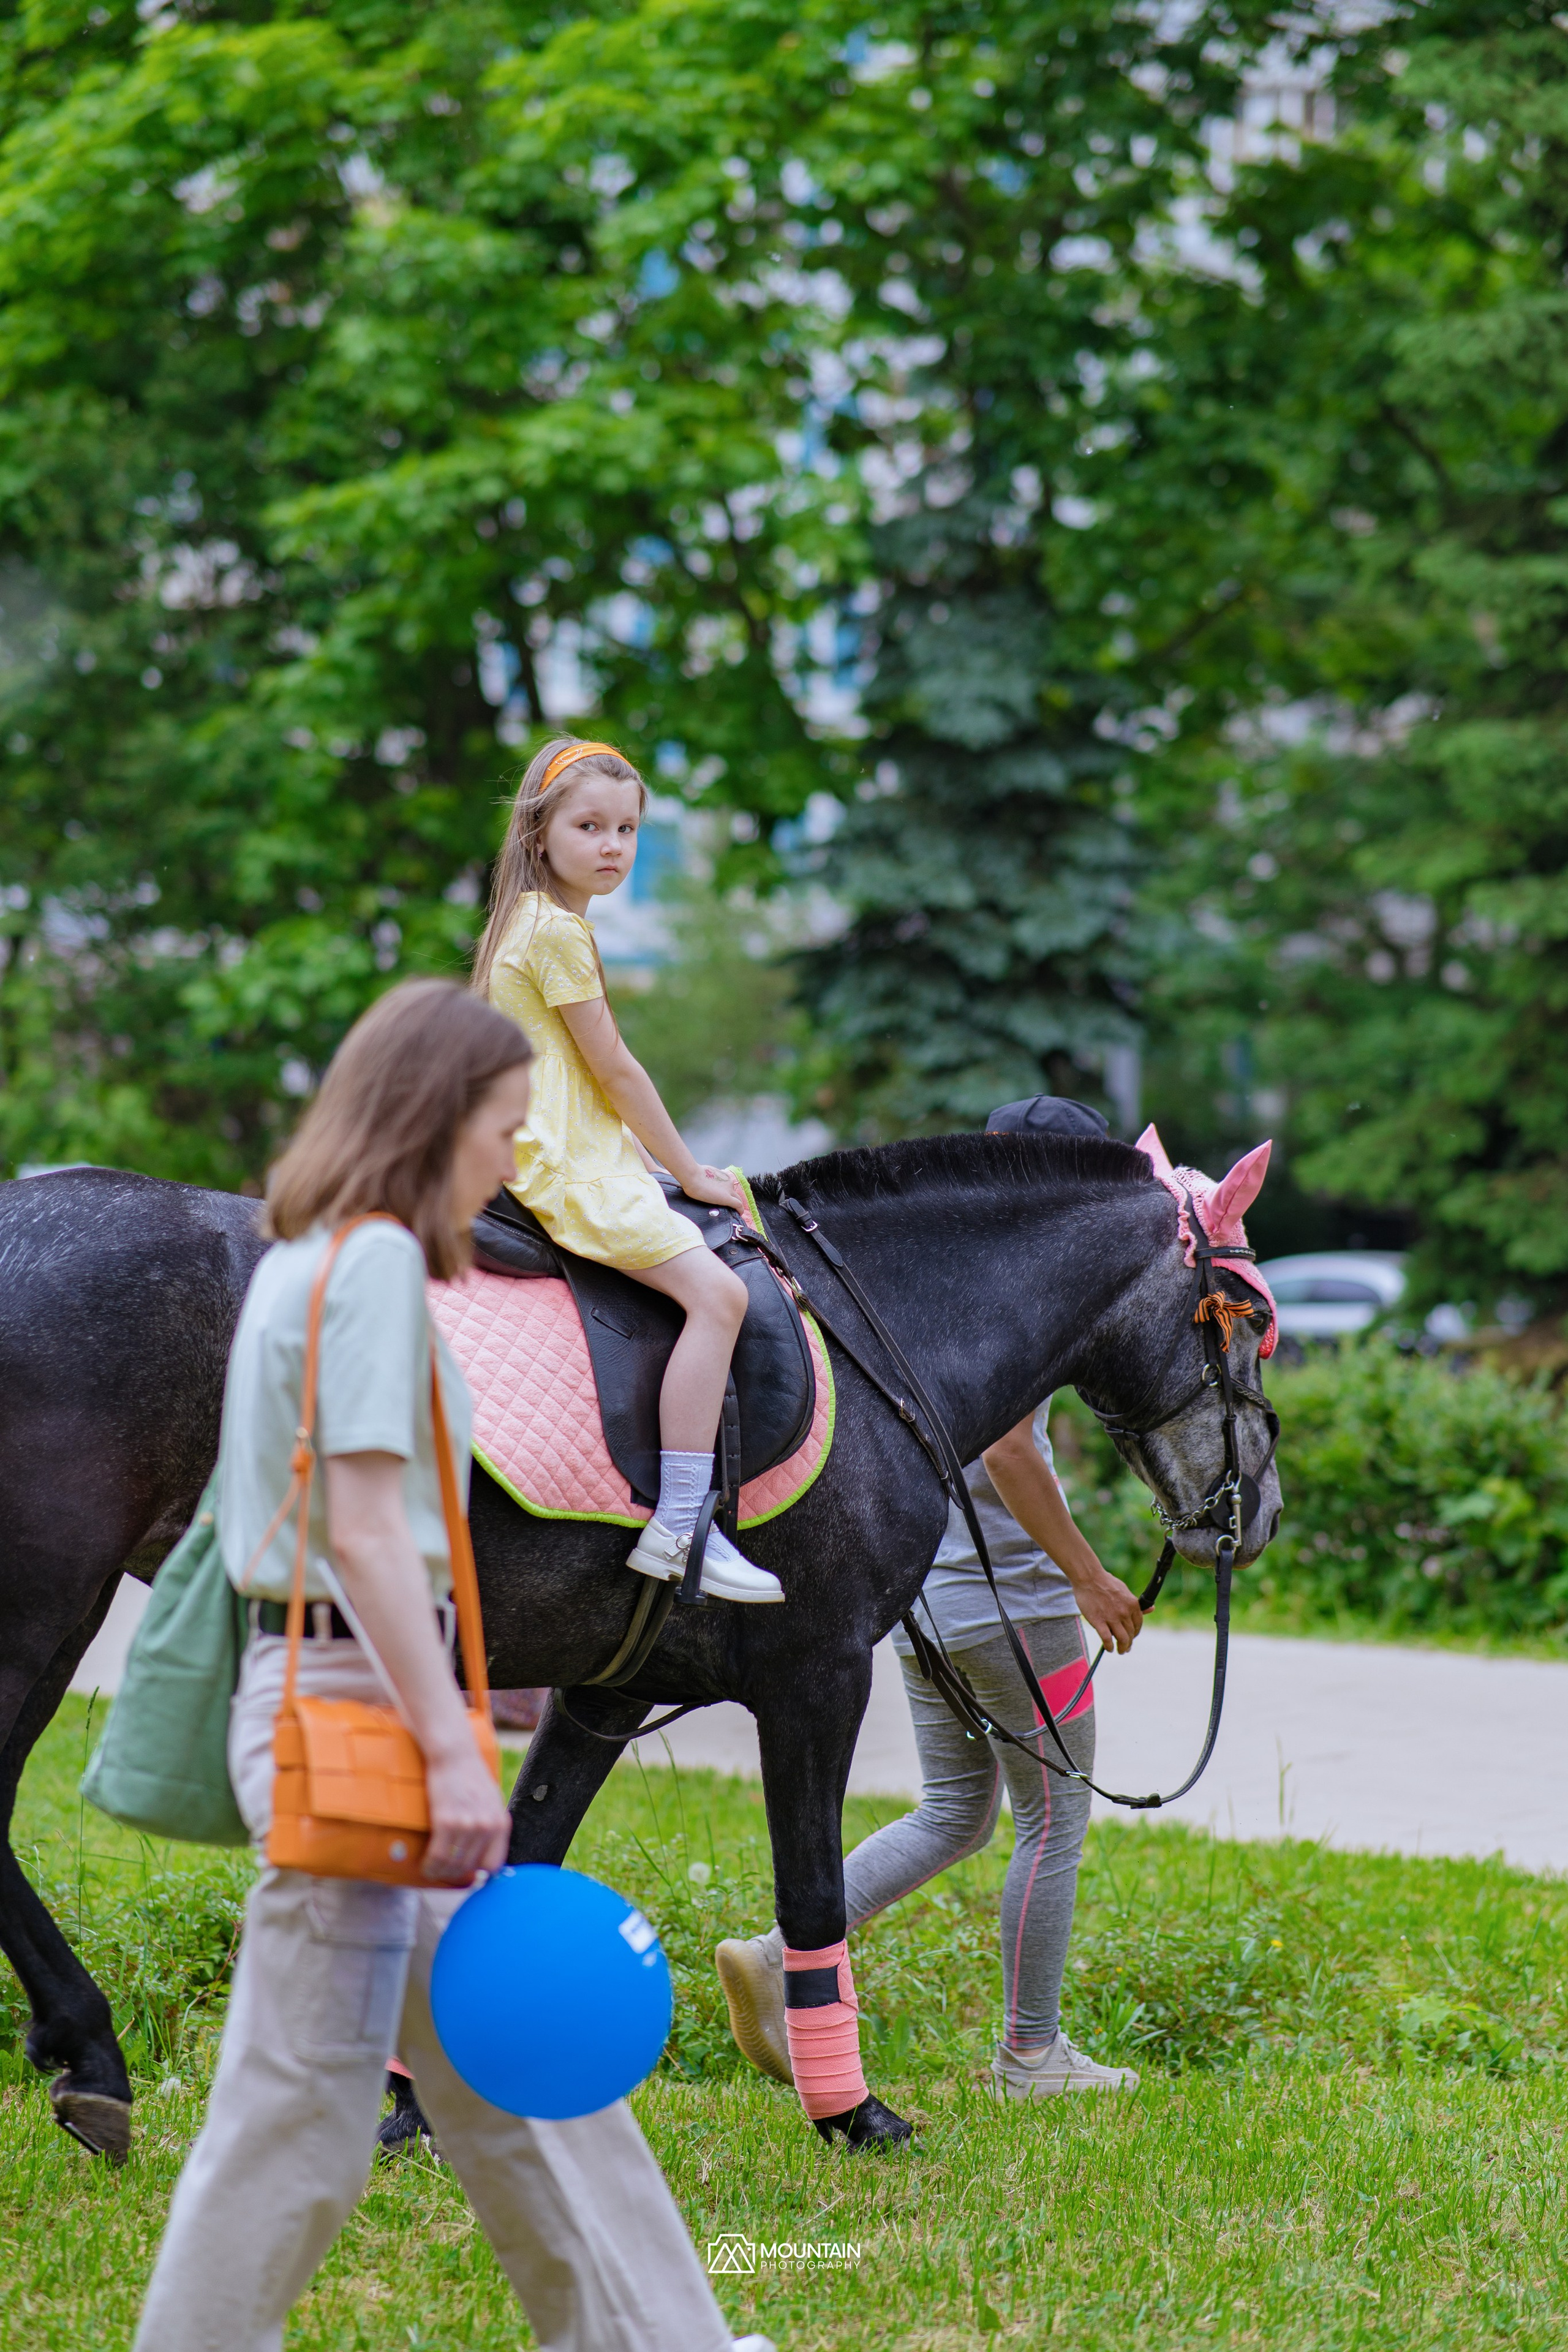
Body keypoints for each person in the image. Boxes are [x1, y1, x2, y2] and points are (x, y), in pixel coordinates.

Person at [134, 979, 764, 2352]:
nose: (512, 1157)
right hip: (355, 1710)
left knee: (519, 2072)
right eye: (499, 1124)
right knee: (295, 2112)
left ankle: (663, 2341)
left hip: (351, 1693)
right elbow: (361, 1528)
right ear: (428, 1119)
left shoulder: (319, 1260)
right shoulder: (358, 1265)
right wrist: (442, 1748)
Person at [715, 1096, 1146, 2103]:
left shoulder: (935, 1271)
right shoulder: (1027, 1281)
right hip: (1017, 1605)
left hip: (927, 1596)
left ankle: (784, 1955)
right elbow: (1008, 1447)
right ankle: (1031, 2054)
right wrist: (1085, 1572)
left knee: (957, 1811)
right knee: (1057, 1815)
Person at [471, 733, 782, 1605]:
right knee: (720, 1297)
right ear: (541, 836)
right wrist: (690, 1169)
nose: (613, 846)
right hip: (568, 1169)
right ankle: (683, 1522)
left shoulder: (525, 924)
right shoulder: (558, 934)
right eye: (590, 827)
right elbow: (614, 1072)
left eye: (628, 830)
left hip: (572, 1149)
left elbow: (575, 1085)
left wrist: (651, 1163)